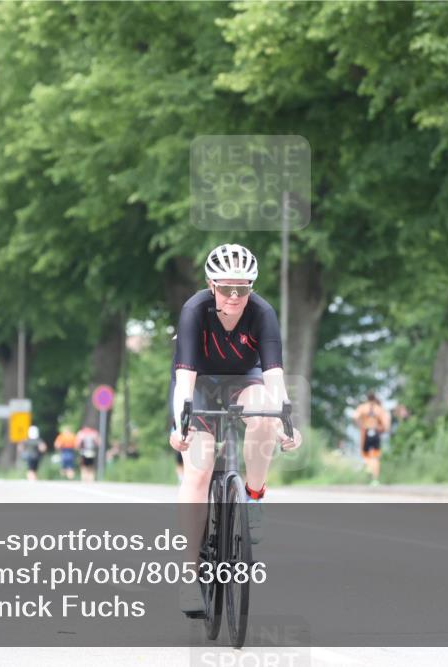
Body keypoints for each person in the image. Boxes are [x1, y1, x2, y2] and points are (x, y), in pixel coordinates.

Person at [169, 243, 301, 614]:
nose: (233, 297)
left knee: (264, 413)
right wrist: (181, 424)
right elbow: (184, 383)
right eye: (226, 288)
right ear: (211, 285)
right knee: (198, 468)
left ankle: (254, 496)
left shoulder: (262, 313)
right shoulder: (194, 310)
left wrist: (285, 422)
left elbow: (274, 378)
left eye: (242, 289)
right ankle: (188, 574)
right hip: (198, 382)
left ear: (251, 289)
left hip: (245, 379)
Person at [353, 391, 391, 486]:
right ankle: (375, 479)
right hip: (376, 432)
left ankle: (368, 466)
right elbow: (386, 424)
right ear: (375, 399)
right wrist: (382, 430)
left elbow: (355, 417)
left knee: (365, 455)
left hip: (366, 432)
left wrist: (360, 425)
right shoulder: (379, 409)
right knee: (375, 457)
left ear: (367, 398)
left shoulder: (362, 407)